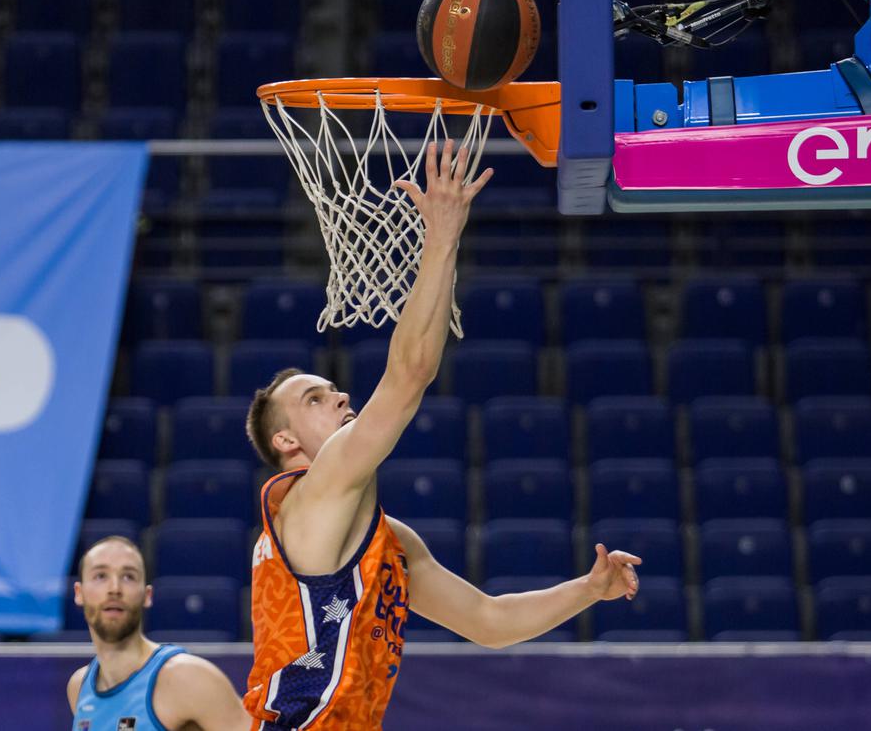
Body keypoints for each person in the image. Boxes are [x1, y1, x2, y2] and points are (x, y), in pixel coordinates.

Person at [242, 140, 643, 730]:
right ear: (286, 444)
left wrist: (588, 589)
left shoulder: (388, 542)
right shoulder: (307, 494)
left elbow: (487, 620)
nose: (342, 397)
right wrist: (442, 234)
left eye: (333, 389)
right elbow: (408, 376)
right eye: (315, 399)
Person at [67, 535, 253, 731]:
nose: (115, 589)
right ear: (79, 593)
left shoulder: (188, 677)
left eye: (128, 576)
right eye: (101, 576)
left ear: (147, 596)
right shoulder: (78, 687)